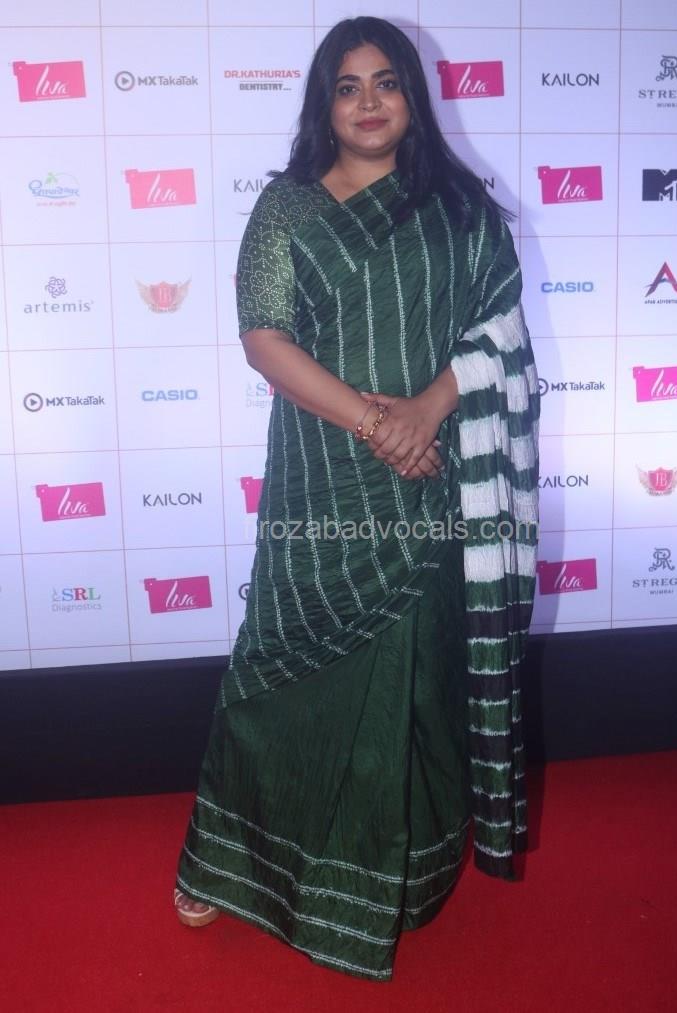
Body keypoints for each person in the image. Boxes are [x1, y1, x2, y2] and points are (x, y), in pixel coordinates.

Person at [174, 16, 539, 982]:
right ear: (323, 104)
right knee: (275, 668)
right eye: (348, 86)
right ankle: (227, 862)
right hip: (323, 478)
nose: (369, 102)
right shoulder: (288, 207)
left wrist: (427, 408)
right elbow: (264, 338)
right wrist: (379, 423)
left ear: (412, 96)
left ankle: (398, 881)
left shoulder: (457, 208)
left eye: (386, 82)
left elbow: (500, 327)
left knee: (414, 681)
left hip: (433, 480)